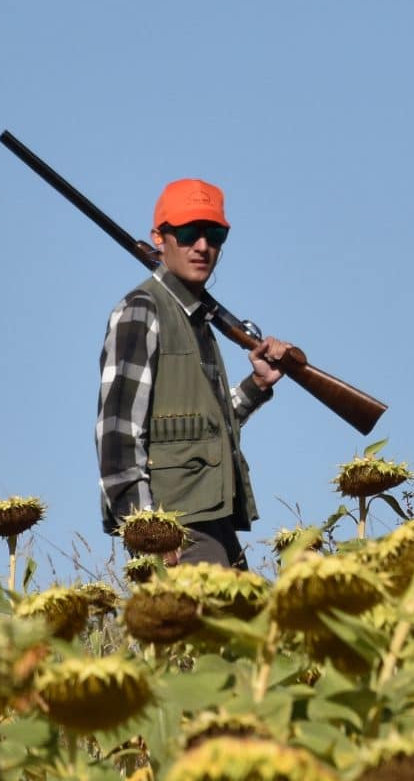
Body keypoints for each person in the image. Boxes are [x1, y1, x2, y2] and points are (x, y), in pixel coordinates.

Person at [96, 177, 291, 570]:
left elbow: (200, 426)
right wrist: (150, 531)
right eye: (187, 233)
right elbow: (117, 433)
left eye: (214, 235)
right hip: (177, 526)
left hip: (213, 520)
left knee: (252, 608)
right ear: (159, 238)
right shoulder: (142, 309)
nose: (202, 246)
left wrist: (257, 385)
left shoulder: (197, 319)